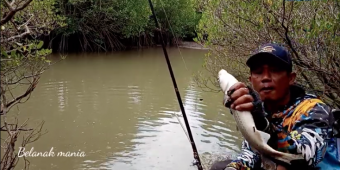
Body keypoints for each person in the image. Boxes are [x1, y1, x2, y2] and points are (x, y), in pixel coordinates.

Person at [210, 43, 340, 170]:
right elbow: (250, 152)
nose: (265, 78)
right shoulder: (259, 110)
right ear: (250, 80)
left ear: (291, 78)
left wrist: (261, 125)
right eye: (258, 72)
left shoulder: (314, 109)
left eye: (275, 70)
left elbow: (303, 157)